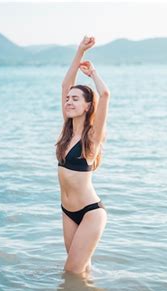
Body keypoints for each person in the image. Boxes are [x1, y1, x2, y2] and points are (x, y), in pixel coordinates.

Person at [56, 35, 110, 276]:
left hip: (90, 212)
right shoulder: (66, 132)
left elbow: (105, 94)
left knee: (71, 271)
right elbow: (64, 85)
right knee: (81, 271)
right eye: (68, 99)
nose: (69, 101)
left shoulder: (92, 138)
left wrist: (93, 73)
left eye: (75, 99)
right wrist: (79, 52)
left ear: (88, 106)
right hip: (68, 211)